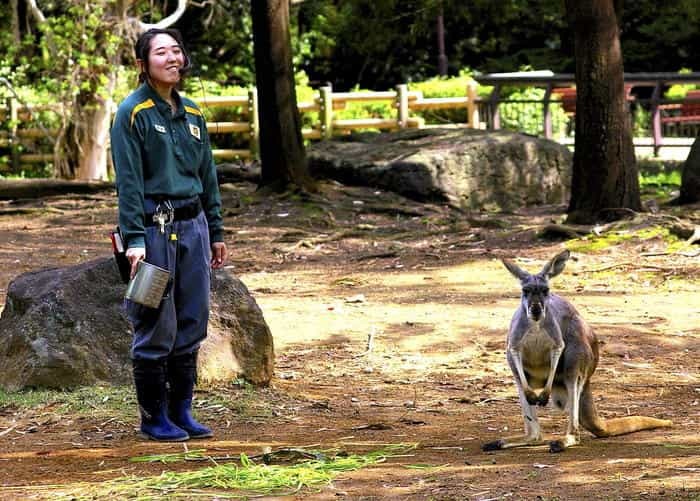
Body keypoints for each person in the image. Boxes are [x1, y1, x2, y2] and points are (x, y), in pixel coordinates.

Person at [111, 28, 227, 441]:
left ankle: (182, 412)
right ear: (143, 64)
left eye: (177, 50)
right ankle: (153, 418)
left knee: (192, 317)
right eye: (162, 52)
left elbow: (207, 176)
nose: (172, 58)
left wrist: (215, 229)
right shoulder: (132, 112)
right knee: (155, 319)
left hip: (193, 227)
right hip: (154, 231)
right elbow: (128, 182)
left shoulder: (193, 113)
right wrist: (135, 240)